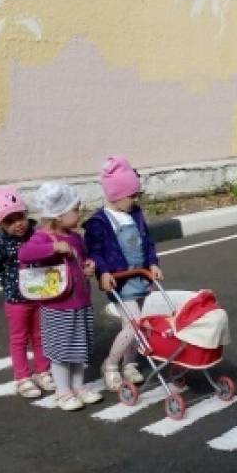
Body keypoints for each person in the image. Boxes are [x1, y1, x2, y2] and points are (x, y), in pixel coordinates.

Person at [17, 183, 102, 411]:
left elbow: (80, 260)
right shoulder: (42, 238)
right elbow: (24, 254)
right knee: (61, 350)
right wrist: (53, 249)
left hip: (81, 302)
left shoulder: (75, 237)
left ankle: (78, 386)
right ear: (58, 215)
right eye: (75, 209)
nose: (79, 213)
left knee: (78, 348)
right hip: (58, 306)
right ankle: (63, 391)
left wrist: (87, 268)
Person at [84, 156, 164, 390]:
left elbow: (147, 241)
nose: (136, 200)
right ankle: (110, 365)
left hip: (139, 275)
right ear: (116, 195)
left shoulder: (135, 214)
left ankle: (129, 363)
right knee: (134, 324)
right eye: (132, 195)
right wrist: (103, 272)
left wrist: (153, 262)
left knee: (133, 325)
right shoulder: (99, 222)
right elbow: (95, 252)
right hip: (119, 281)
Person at [0, 186, 57, 398]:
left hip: (42, 293)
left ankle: (43, 371)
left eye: (20, 217)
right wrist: (6, 281)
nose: (18, 224)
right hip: (16, 299)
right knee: (19, 338)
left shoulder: (38, 235)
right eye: (10, 221)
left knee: (41, 335)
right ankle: (22, 377)